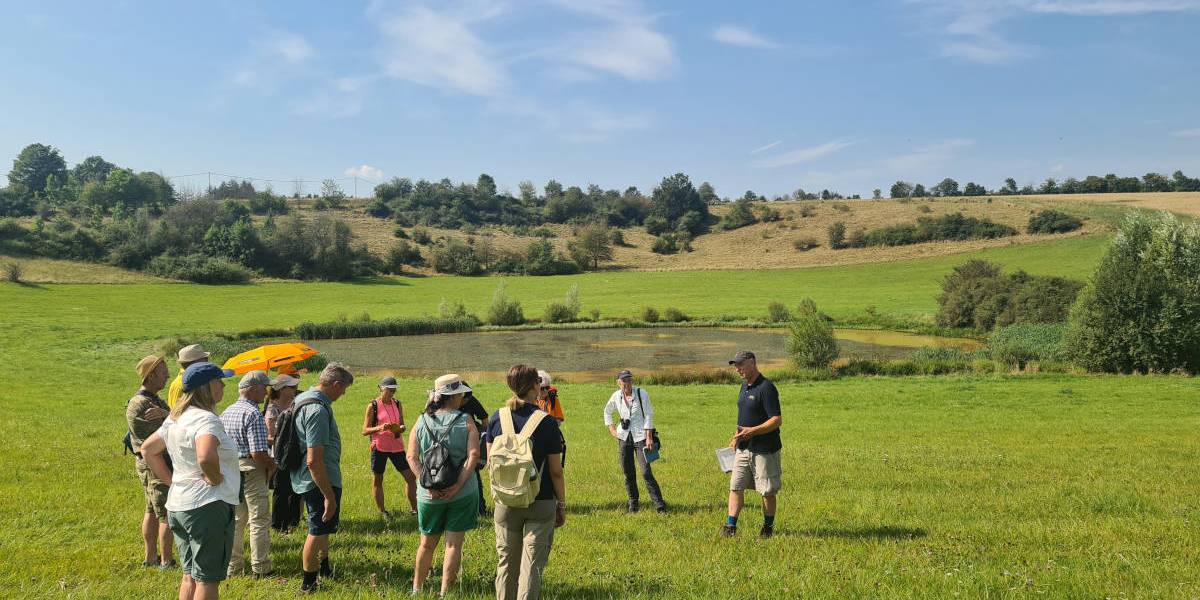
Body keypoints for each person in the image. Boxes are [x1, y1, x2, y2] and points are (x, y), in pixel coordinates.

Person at [139, 362, 239, 600]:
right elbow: (205, 456)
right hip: (208, 507)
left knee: (189, 576)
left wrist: (172, 482)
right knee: (207, 581)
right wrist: (215, 478)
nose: (223, 385)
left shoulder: (175, 418)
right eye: (219, 381)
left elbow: (148, 449)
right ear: (206, 388)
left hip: (178, 506)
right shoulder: (207, 420)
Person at [486, 365, 566, 600]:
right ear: (535, 387)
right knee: (531, 567)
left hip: (506, 501)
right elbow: (556, 471)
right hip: (540, 502)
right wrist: (561, 505)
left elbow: (491, 462)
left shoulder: (496, 418)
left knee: (506, 565)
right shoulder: (547, 422)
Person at [406, 374, 481, 597]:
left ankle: (417, 589)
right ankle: (444, 593)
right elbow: (474, 454)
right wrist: (457, 486)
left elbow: (411, 457)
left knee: (426, 544)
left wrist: (426, 484)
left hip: (428, 496)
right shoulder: (466, 420)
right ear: (455, 395)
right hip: (463, 493)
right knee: (453, 545)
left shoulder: (421, 420)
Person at [291, 363, 353, 594]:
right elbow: (313, 459)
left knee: (324, 526)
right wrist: (328, 495)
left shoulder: (304, 398)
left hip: (315, 478)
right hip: (318, 479)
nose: (344, 393)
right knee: (317, 529)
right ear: (336, 385)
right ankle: (308, 584)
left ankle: (324, 568)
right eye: (344, 388)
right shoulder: (317, 410)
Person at [219, 370, 274, 577]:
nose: (266, 393)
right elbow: (258, 453)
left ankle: (234, 567)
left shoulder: (227, 411)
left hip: (232, 469)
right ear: (253, 390)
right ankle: (260, 567)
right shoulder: (252, 413)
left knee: (236, 520)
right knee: (259, 519)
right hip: (252, 469)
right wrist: (272, 464)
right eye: (264, 389)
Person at [723, 351, 782, 539]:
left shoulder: (767, 388)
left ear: (752, 362)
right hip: (743, 448)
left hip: (764, 450)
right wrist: (736, 436)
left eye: (741, 365)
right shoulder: (744, 387)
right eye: (736, 366)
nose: (738, 369)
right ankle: (730, 527)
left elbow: (776, 420)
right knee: (735, 486)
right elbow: (743, 417)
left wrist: (753, 431)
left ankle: (768, 528)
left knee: (766, 491)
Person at [126, 355, 175, 569]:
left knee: (152, 511)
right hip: (156, 463)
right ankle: (166, 560)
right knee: (166, 512)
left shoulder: (153, 400)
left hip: (151, 463)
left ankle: (151, 557)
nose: (168, 377)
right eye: (164, 373)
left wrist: (167, 413)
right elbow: (170, 430)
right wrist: (169, 415)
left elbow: (173, 418)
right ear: (151, 375)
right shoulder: (145, 404)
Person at [603, 369, 667, 513]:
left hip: (641, 437)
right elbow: (607, 412)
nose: (627, 383)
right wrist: (612, 430)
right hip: (624, 437)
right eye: (624, 380)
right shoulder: (616, 396)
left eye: (629, 380)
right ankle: (633, 505)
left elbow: (649, 414)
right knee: (628, 472)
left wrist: (649, 436)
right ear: (618, 383)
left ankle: (659, 504)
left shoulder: (641, 393)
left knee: (646, 471)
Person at [362, 376, 417, 519]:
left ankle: (415, 509)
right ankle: (382, 512)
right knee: (378, 479)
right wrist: (381, 427)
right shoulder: (373, 405)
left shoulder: (398, 404)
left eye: (394, 390)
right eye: (389, 390)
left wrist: (400, 428)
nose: (392, 393)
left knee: (410, 477)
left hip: (397, 446)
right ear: (381, 388)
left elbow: (402, 425)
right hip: (379, 447)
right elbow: (365, 430)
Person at [267, 373, 302, 533]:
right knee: (281, 490)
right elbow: (271, 435)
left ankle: (292, 522)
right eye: (292, 387)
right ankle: (278, 524)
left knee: (295, 489)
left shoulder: (293, 405)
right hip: (279, 456)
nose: (295, 389)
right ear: (282, 389)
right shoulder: (273, 409)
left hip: (293, 452)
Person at [459, 382, 491, 516]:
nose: (465, 402)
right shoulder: (443, 401)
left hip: (470, 440)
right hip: (455, 442)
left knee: (473, 473)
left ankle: (480, 509)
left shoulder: (470, 399)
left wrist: (480, 437)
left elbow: (484, 418)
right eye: (464, 399)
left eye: (467, 400)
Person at [167, 344, 210, 409]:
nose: (207, 362)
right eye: (204, 359)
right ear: (193, 363)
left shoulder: (194, 380)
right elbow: (175, 413)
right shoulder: (180, 385)